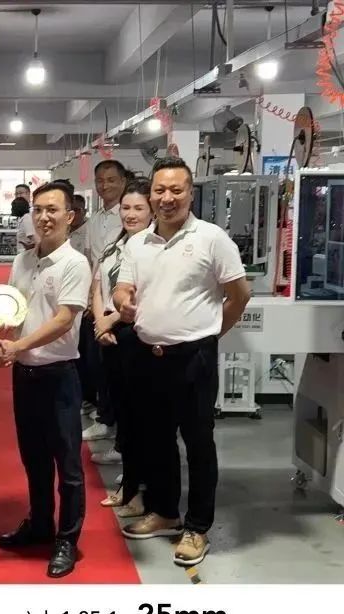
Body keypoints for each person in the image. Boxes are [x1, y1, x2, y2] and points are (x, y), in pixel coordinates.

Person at [114, 157, 251, 566]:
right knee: (156, 440)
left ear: (191, 193)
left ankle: (197, 527)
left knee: (198, 443)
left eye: (176, 190)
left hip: (194, 359)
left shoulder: (212, 238)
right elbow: (124, 287)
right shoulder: (137, 243)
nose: (167, 198)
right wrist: (122, 300)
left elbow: (239, 295)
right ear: (151, 193)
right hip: (148, 356)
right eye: (160, 190)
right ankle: (165, 512)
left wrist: (209, 335)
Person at [0, 180, 92, 579]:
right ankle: (40, 524)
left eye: (53, 210)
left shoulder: (74, 264)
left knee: (67, 463)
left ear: (70, 216)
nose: (44, 217)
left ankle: (67, 538)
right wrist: (1, 339)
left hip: (59, 376)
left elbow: (64, 320)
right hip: (25, 374)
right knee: (33, 457)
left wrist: (17, 346)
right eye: (38, 210)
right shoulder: (23, 260)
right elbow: (14, 309)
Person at [92, 179, 152, 502]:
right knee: (122, 408)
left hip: (134, 334)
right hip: (109, 332)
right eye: (126, 208)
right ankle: (130, 476)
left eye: (138, 208)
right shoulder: (117, 244)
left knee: (139, 413)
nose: (130, 214)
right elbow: (98, 285)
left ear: (151, 211)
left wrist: (110, 321)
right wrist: (100, 322)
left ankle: (137, 481)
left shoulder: (152, 247)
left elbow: (144, 298)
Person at [82, 160, 129, 442]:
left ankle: (118, 428)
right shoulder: (94, 220)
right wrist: (91, 298)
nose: (105, 185)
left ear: (123, 182)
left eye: (111, 180)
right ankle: (105, 418)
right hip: (98, 301)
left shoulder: (127, 216)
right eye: (100, 180)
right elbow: (93, 261)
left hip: (122, 304)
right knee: (99, 365)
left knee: (120, 372)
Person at [69, 194, 90, 262]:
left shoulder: (91, 233)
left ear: (84, 212)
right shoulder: (62, 231)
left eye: (76, 210)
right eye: (69, 210)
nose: (72, 214)